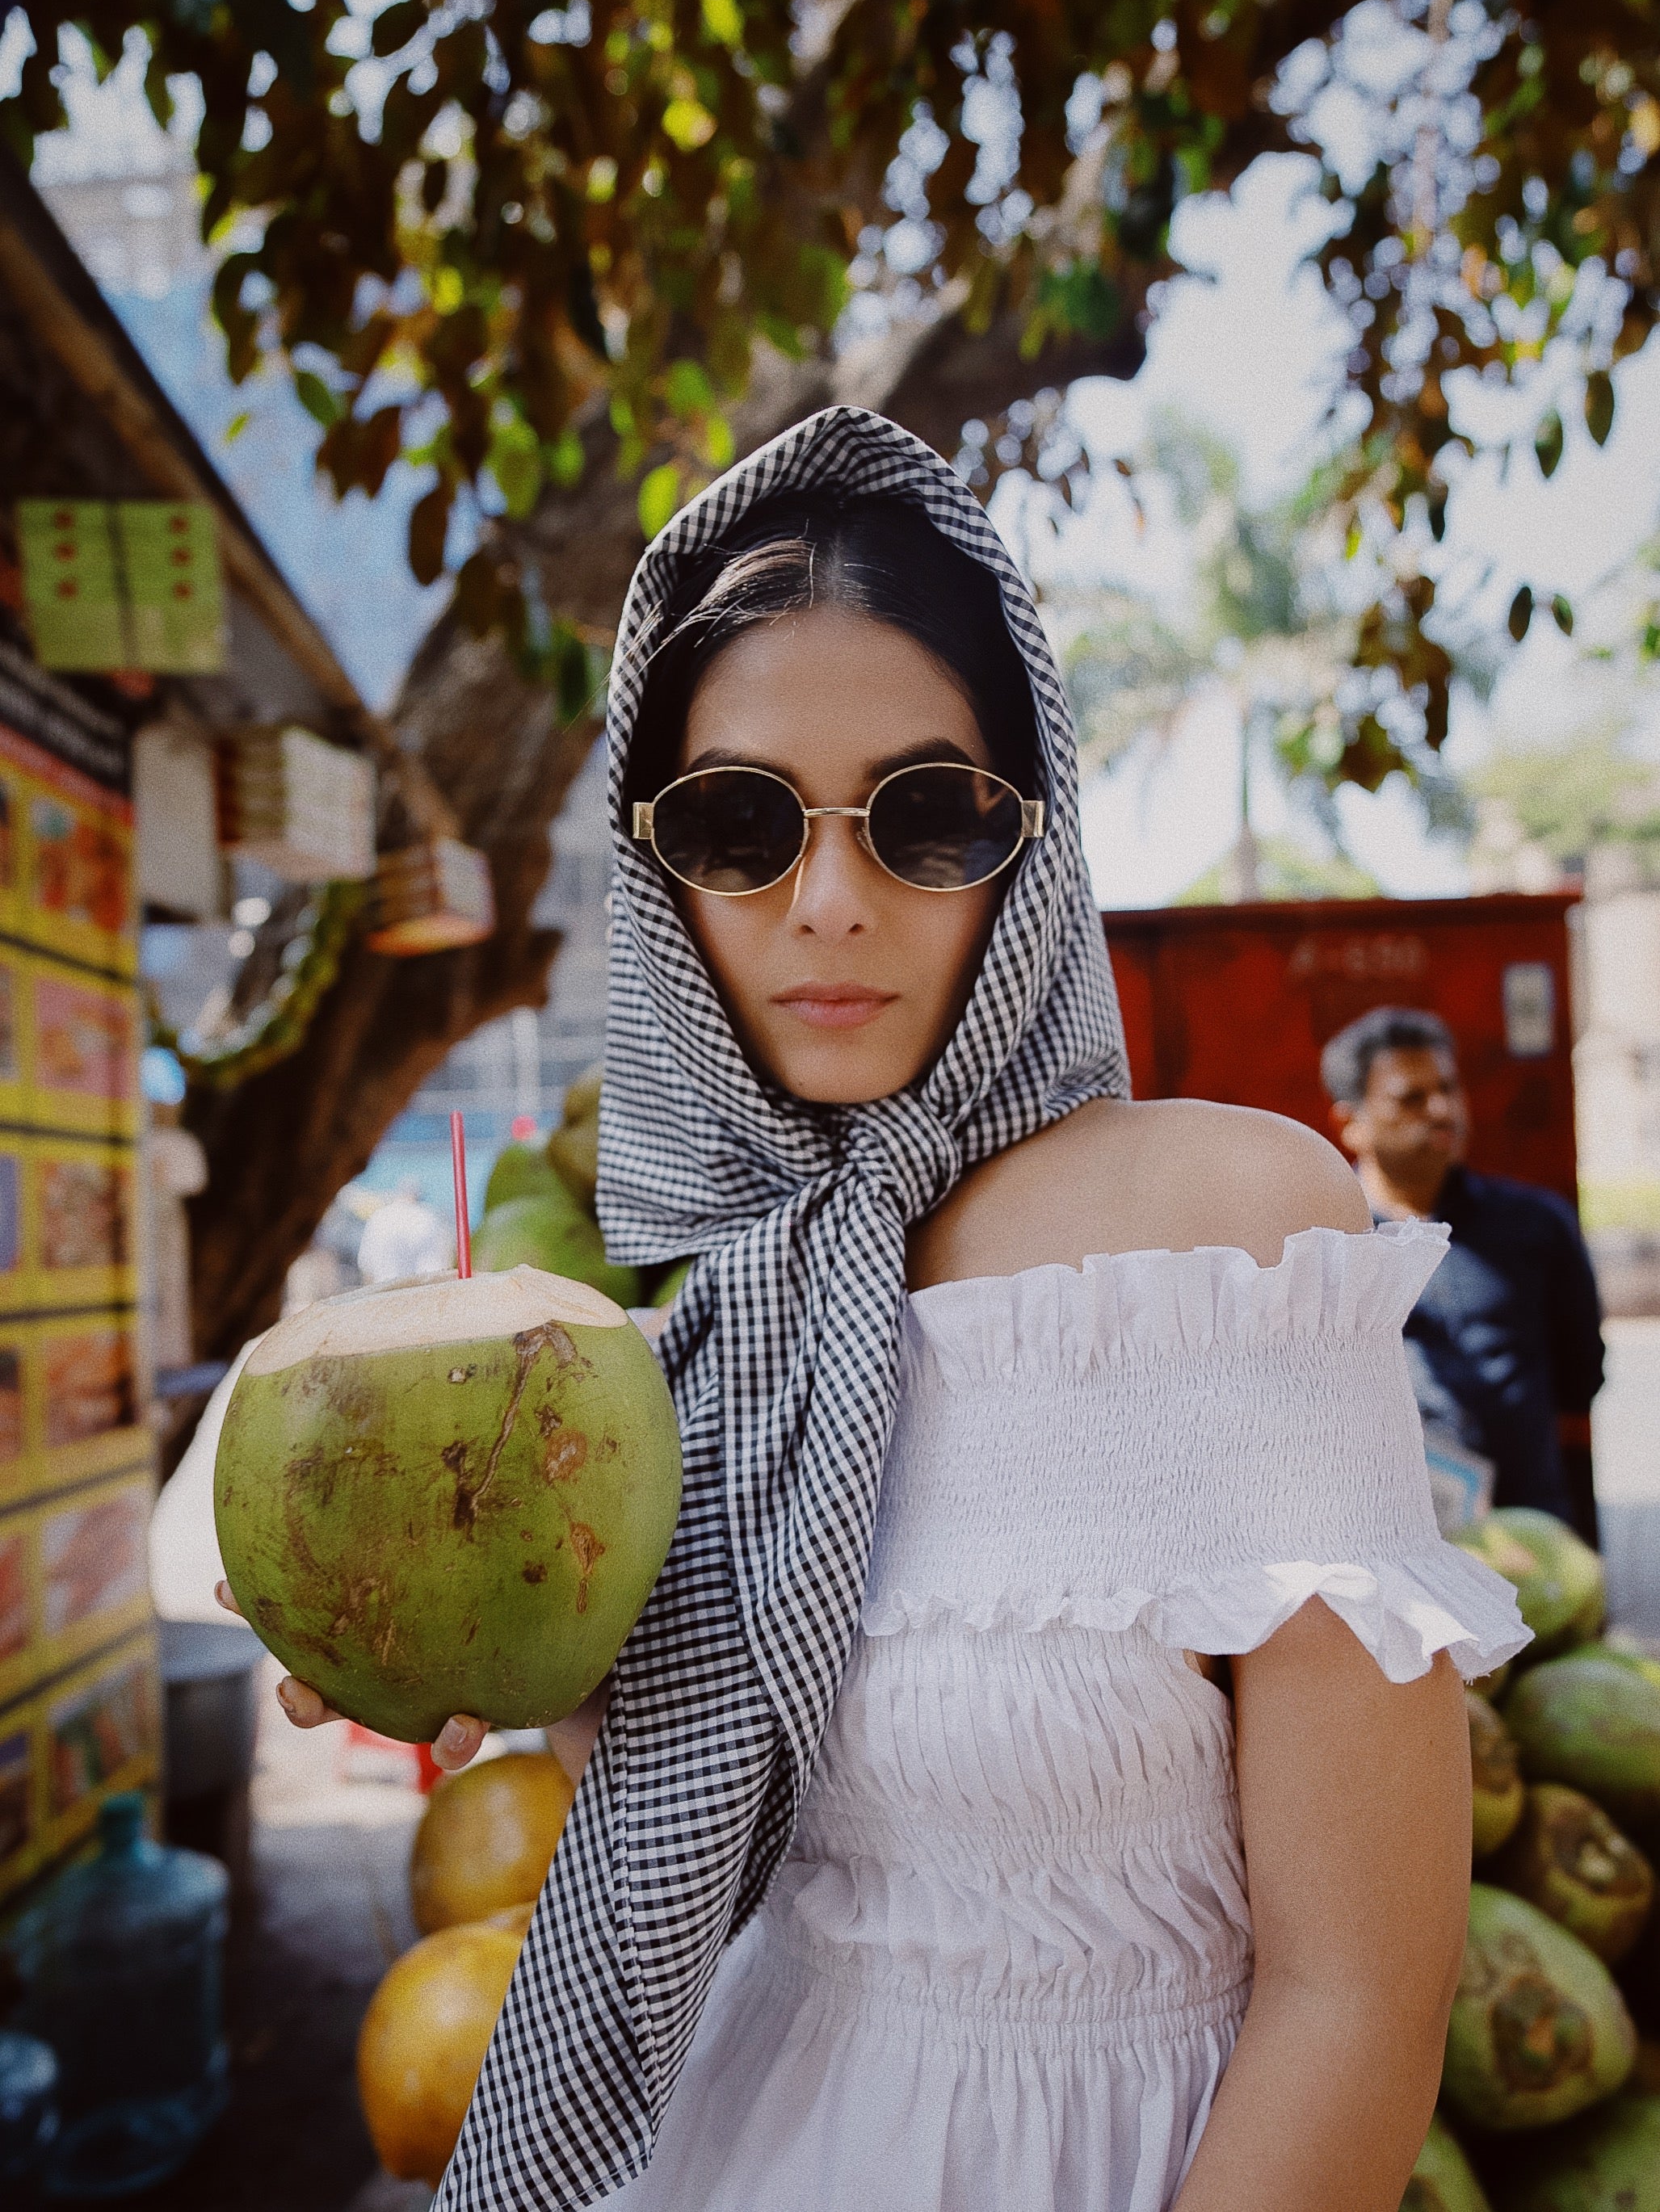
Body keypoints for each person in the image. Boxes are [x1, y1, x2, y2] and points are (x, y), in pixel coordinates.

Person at [226, 410, 1525, 2212]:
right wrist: (472, 1658)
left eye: (925, 814)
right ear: (656, 868)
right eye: (740, 821)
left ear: (1029, 838)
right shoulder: (676, 1307)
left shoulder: (1228, 1229)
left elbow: (1357, 1996)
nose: (827, 904)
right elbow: (733, 1837)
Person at [1322, 1005, 1605, 1544]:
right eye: (1410, 1097)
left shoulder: (1534, 1223)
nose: (1441, 1109)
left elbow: (1581, 1375)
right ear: (1349, 1122)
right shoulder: (1328, 1246)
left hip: (1531, 1541)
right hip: (1388, 1545)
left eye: (1448, 1088)